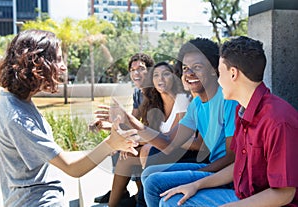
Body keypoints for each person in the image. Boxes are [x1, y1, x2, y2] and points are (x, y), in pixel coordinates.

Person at [0, 29, 139, 207]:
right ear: (37, 63)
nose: (64, 66)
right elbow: (72, 168)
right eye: (57, 59)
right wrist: (111, 143)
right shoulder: (17, 117)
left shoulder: (15, 101)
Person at [158, 36, 298, 207]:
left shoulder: (278, 120)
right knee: (172, 198)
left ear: (233, 73)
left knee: (171, 203)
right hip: (243, 194)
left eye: (220, 71)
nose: (217, 78)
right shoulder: (243, 112)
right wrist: (195, 185)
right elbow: (239, 165)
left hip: (268, 202)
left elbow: (285, 194)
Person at [119, 37, 239, 207]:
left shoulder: (227, 99)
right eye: (185, 68)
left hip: (227, 174)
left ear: (214, 69)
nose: (189, 73)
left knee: (154, 182)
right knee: (149, 174)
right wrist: (131, 122)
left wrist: (198, 174)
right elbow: (168, 141)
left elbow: (232, 157)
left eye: (197, 67)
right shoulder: (197, 105)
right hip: (211, 166)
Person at [98, 62, 191, 207]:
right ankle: (114, 204)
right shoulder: (156, 103)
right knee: (126, 156)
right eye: (156, 75)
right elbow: (149, 131)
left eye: (166, 74)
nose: (161, 78)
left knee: (143, 151)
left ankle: (140, 199)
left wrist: (136, 141)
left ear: (174, 77)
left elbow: (172, 138)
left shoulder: (182, 100)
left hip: (178, 151)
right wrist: (128, 140)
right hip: (159, 147)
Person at [92, 53, 155, 205]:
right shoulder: (138, 93)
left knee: (127, 150)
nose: (136, 73)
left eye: (141, 68)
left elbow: (153, 129)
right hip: (145, 137)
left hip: (154, 139)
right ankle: (122, 192)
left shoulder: (155, 94)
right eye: (132, 70)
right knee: (117, 145)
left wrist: (130, 139)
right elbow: (131, 122)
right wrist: (108, 126)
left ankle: (137, 196)